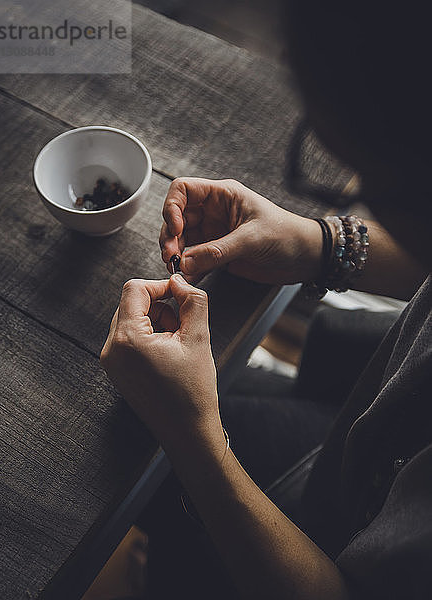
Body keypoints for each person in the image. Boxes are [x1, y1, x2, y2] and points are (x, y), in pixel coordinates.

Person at [100, 1, 432, 598]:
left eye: (364, 175)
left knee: (136, 449)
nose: (355, 196)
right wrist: (317, 243)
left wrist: (191, 435)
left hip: (341, 535)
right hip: (363, 439)